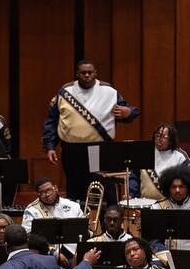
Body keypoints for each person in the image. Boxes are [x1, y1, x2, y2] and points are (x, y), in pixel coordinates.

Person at [42, 59, 140, 202]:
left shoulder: (109, 91)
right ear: (77, 74)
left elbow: (130, 111)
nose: (87, 75)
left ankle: (105, 221)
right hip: (72, 150)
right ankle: (78, 221)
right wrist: (49, 146)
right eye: (83, 73)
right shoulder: (65, 92)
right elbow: (52, 120)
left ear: (95, 73)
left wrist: (128, 113)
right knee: (75, 191)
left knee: (102, 188)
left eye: (90, 72)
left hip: (98, 149)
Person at [150, 163, 190, 252]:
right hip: (166, 257)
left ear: (188, 187)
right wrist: (166, 256)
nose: (177, 190)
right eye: (173, 187)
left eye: (181, 186)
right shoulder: (157, 207)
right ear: (168, 188)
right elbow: (153, 240)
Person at [22, 177, 83, 261]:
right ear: (38, 194)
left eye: (49, 190)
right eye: (42, 193)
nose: (47, 195)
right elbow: (28, 236)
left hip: (74, 253)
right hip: (47, 255)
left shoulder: (73, 205)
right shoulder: (31, 210)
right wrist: (53, 253)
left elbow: (83, 230)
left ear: (56, 188)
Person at [132, 123, 190, 198]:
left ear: (171, 140)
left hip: (171, 205)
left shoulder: (180, 156)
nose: (159, 140)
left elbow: (188, 183)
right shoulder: (144, 153)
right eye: (157, 136)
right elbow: (134, 177)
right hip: (145, 204)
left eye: (164, 137)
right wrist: (132, 194)